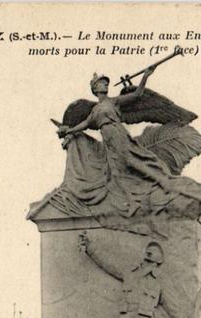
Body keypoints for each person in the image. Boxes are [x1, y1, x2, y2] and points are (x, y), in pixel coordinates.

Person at [59, 67, 176, 216]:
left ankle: (163, 183)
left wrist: (145, 76)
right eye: (102, 83)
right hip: (109, 141)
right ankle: (133, 203)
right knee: (116, 173)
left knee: (132, 160)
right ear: (95, 88)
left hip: (117, 134)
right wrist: (69, 131)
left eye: (106, 83)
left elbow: (137, 95)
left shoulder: (114, 101)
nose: (106, 85)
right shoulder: (95, 109)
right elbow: (85, 124)